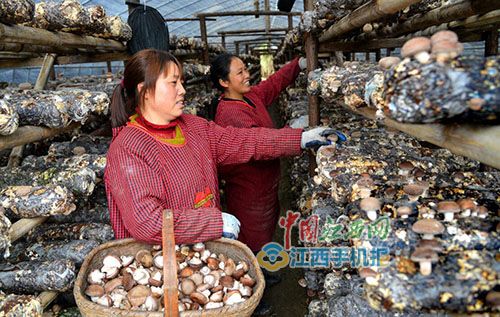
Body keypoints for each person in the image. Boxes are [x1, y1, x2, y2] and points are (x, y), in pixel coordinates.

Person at [104, 49, 333, 246]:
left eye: (182, 82)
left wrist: (298, 139)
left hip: (206, 255)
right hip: (162, 271)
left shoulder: (194, 127)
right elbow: (148, 223)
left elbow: (244, 140)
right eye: (173, 83)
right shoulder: (129, 148)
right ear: (145, 91)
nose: (183, 90)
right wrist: (213, 222)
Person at [209, 54, 307, 254]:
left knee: (267, 230)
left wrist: (296, 65)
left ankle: (265, 265)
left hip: (265, 184)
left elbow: (273, 84)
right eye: (240, 72)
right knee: (253, 237)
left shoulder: (249, 96)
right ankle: (259, 274)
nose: (247, 75)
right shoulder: (230, 114)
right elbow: (260, 145)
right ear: (224, 82)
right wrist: (293, 133)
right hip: (249, 190)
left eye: (246, 69)